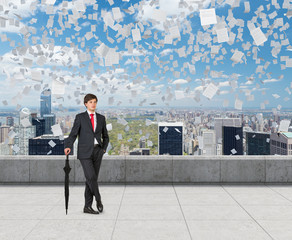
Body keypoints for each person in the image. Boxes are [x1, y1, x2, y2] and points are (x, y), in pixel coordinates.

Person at [64, 93, 109, 214]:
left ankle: (87, 207)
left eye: (95, 102)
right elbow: (73, 133)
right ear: (85, 104)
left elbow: (106, 136)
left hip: (97, 152)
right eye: (90, 102)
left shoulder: (101, 118)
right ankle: (98, 200)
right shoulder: (80, 117)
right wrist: (68, 146)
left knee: (90, 180)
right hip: (84, 152)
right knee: (91, 177)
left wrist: (103, 149)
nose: (93, 104)